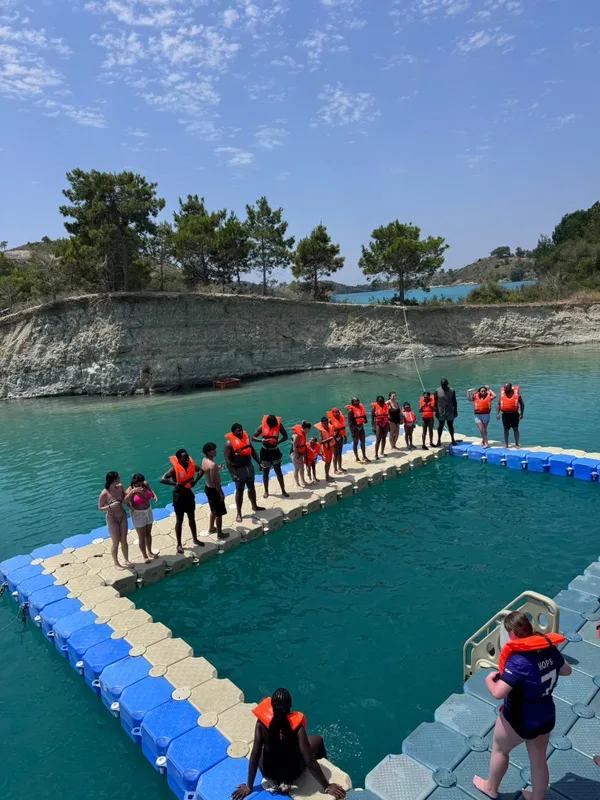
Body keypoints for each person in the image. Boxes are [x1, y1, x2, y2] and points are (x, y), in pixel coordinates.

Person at [473, 611, 571, 800]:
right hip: (546, 713)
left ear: (512, 634)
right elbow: (567, 670)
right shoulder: (549, 648)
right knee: (539, 759)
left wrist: (488, 680)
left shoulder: (518, 661)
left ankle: (491, 787)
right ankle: (536, 797)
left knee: (500, 749)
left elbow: (498, 693)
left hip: (520, 717)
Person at [232, 688, 346, 800]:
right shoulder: (297, 728)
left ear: (272, 706)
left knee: (262, 749)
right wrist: (327, 786)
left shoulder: (261, 723)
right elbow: (310, 761)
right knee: (318, 740)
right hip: (292, 774)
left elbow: (255, 755)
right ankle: (324, 762)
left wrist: (249, 786)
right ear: (290, 706)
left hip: (268, 772)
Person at [160, 449, 203, 553]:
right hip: (178, 496)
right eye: (184, 458)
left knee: (192, 518)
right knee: (179, 520)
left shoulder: (191, 466)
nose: (187, 459)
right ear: (178, 459)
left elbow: (201, 470)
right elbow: (162, 480)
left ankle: (195, 539)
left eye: (188, 457)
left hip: (189, 495)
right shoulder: (173, 469)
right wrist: (175, 484)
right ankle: (179, 544)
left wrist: (196, 481)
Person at [224, 424, 265, 523]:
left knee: (251, 488)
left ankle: (254, 506)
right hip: (238, 470)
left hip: (248, 466)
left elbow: (253, 451)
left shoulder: (246, 439)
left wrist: (260, 463)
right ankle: (239, 512)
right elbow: (228, 460)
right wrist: (232, 474)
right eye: (238, 431)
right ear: (233, 432)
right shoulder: (229, 444)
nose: (241, 432)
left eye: (241, 430)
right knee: (240, 490)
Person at [98, 471, 133, 570]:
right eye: (118, 477)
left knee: (124, 540)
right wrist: (110, 506)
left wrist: (130, 507)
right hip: (112, 519)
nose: (120, 479)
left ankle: (126, 559)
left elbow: (124, 499)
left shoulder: (120, 487)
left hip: (122, 516)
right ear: (113, 480)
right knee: (115, 542)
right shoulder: (104, 493)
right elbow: (100, 508)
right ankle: (116, 563)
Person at [251, 415, 290, 499]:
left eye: (274, 425)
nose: (273, 426)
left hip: (275, 451)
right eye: (271, 425)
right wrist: (261, 440)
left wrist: (279, 442)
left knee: (278, 472)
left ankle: (283, 490)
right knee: (265, 472)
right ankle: (266, 491)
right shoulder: (262, 426)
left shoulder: (279, 425)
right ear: (268, 423)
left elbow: (285, 436)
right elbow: (253, 438)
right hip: (265, 452)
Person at [124, 473, 158, 563]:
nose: (139, 486)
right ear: (133, 483)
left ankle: (150, 551)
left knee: (148, 533)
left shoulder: (145, 484)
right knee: (141, 536)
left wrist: (154, 496)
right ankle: (144, 555)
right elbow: (125, 501)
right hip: (138, 514)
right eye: (137, 484)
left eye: (140, 484)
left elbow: (150, 490)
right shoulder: (130, 489)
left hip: (148, 511)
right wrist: (133, 491)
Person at [201, 442, 228, 540]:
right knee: (219, 513)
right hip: (214, 490)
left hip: (207, 488)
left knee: (213, 509)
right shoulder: (212, 464)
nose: (215, 451)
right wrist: (221, 493)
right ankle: (220, 533)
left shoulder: (205, 460)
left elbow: (207, 471)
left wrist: (218, 468)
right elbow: (214, 481)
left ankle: (212, 527)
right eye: (213, 450)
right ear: (208, 452)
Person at [497, 383, 525, 448]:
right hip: (505, 414)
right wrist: (497, 413)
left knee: (515, 428)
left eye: (507, 388)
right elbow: (499, 404)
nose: (505, 389)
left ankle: (517, 444)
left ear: (510, 387)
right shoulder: (502, 395)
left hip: (514, 414)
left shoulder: (517, 395)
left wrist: (521, 413)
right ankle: (506, 444)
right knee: (506, 429)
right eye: (504, 388)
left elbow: (522, 404)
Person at [434, 378, 458, 447]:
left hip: (450, 411)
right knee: (440, 425)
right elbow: (435, 402)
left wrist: (456, 410)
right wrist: (436, 411)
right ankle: (439, 440)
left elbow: (454, 400)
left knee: (450, 425)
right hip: (441, 411)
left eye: (444, 384)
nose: (443, 385)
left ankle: (453, 439)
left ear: (447, 384)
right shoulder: (437, 391)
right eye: (442, 384)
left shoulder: (452, 390)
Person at [345, 398, 369, 463]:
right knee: (355, 443)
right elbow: (350, 423)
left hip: (361, 426)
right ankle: (357, 458)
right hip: (355, 428)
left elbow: (364, 415)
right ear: (352, 403)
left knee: (363, 441)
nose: (357, 402)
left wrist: (365, 420)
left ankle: (364, 456)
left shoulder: (361, 408)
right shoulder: (351, 411)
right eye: (355, 402)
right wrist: (352, 432)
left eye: (358, 401)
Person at [315, 416, 338, 483]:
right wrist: (329, 439)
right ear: (322, 424)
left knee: (330, 461)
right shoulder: (321, 431)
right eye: (324, 423)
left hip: (331, 446)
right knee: (327, 462)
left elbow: (333, 435)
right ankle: (326, 477)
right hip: (325, 448)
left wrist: (332, 437)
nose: (326, 425)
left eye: (327, 423)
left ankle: (327, 474)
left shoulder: (330, 427)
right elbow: (321, 442)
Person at [291, 421, 311, 489]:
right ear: (304, 428)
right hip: (294, 453)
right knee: (297, 469)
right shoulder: (297, 436)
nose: (308, 431)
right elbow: (294, 447)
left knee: (302, 468)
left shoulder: (303, 433)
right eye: (308, 430)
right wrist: (296, 455)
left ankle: (303, 481)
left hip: (300, 453)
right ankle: (297, 484)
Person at [326, 408, 347, 475]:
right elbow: (329, 430)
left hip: (340, 437)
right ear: (333, 413)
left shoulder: (342, 418)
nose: (337, 413)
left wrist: (345, 436)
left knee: (340, 453)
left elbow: (343, 428)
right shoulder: (330, 420)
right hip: (334, 438)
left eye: (338, 412)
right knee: (335, 454)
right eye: (336, 412)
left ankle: (340, 467)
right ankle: (335, 469)